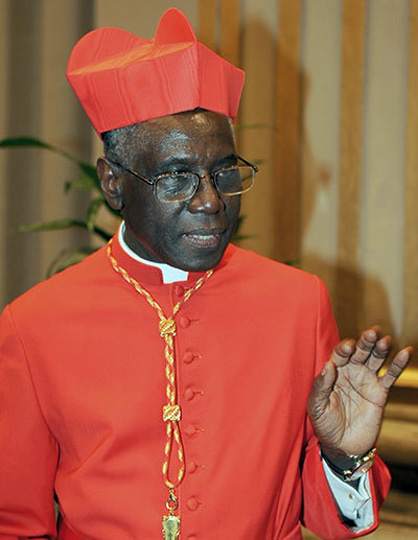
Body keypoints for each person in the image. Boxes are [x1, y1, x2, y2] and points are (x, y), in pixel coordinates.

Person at [0, 8, 412, 540]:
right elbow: (16, 523)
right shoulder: (33, 325)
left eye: (224, 172)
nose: (211, 201)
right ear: (113, 183)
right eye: (176, 177)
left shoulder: (298, 304)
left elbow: (332, 520)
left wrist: (343, 457)